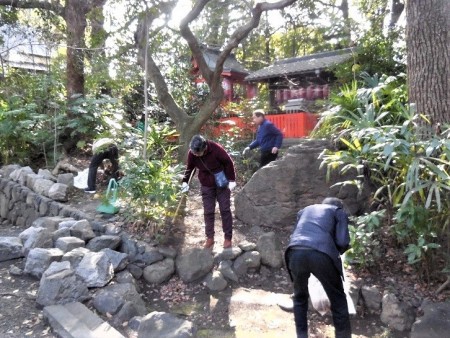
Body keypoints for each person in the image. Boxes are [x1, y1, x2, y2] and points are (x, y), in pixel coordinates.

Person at [284, 197, 352, 338]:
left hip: (294, 251)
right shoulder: (338, 211)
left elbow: (298, 232)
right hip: (321, 254)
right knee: (338, 300)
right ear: (339, 206)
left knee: (300, 297)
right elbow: (343, 241)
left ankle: (301, 335)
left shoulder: (305, 210)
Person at [181, 135, 236, 249]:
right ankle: (210, 237)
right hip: (206, 183)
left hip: (221, 182)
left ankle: (227, 238)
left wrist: (232, 180)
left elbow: (228, 162)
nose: (195, 155)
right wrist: (185, 182)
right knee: (208, 211)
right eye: (194, 153)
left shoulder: (215, 148)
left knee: (225, 209)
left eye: (198, 153)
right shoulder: (192, 153)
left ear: (205, 147)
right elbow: (190, 168)